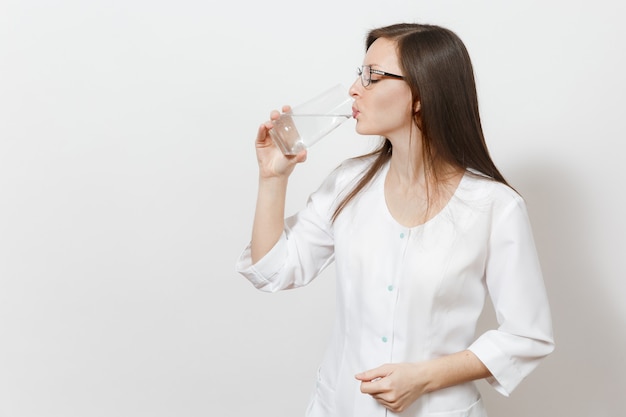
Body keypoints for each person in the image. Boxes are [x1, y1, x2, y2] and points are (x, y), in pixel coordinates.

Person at [236, 22, 554, 417]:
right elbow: (274, 270)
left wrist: (425, 377)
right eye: (359, 74)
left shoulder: (495, 207)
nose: (355, 89)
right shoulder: (347, 183)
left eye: (372, 77)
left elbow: (527, 336)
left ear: (420, 95)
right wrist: (273, 177)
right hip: (340, 406)